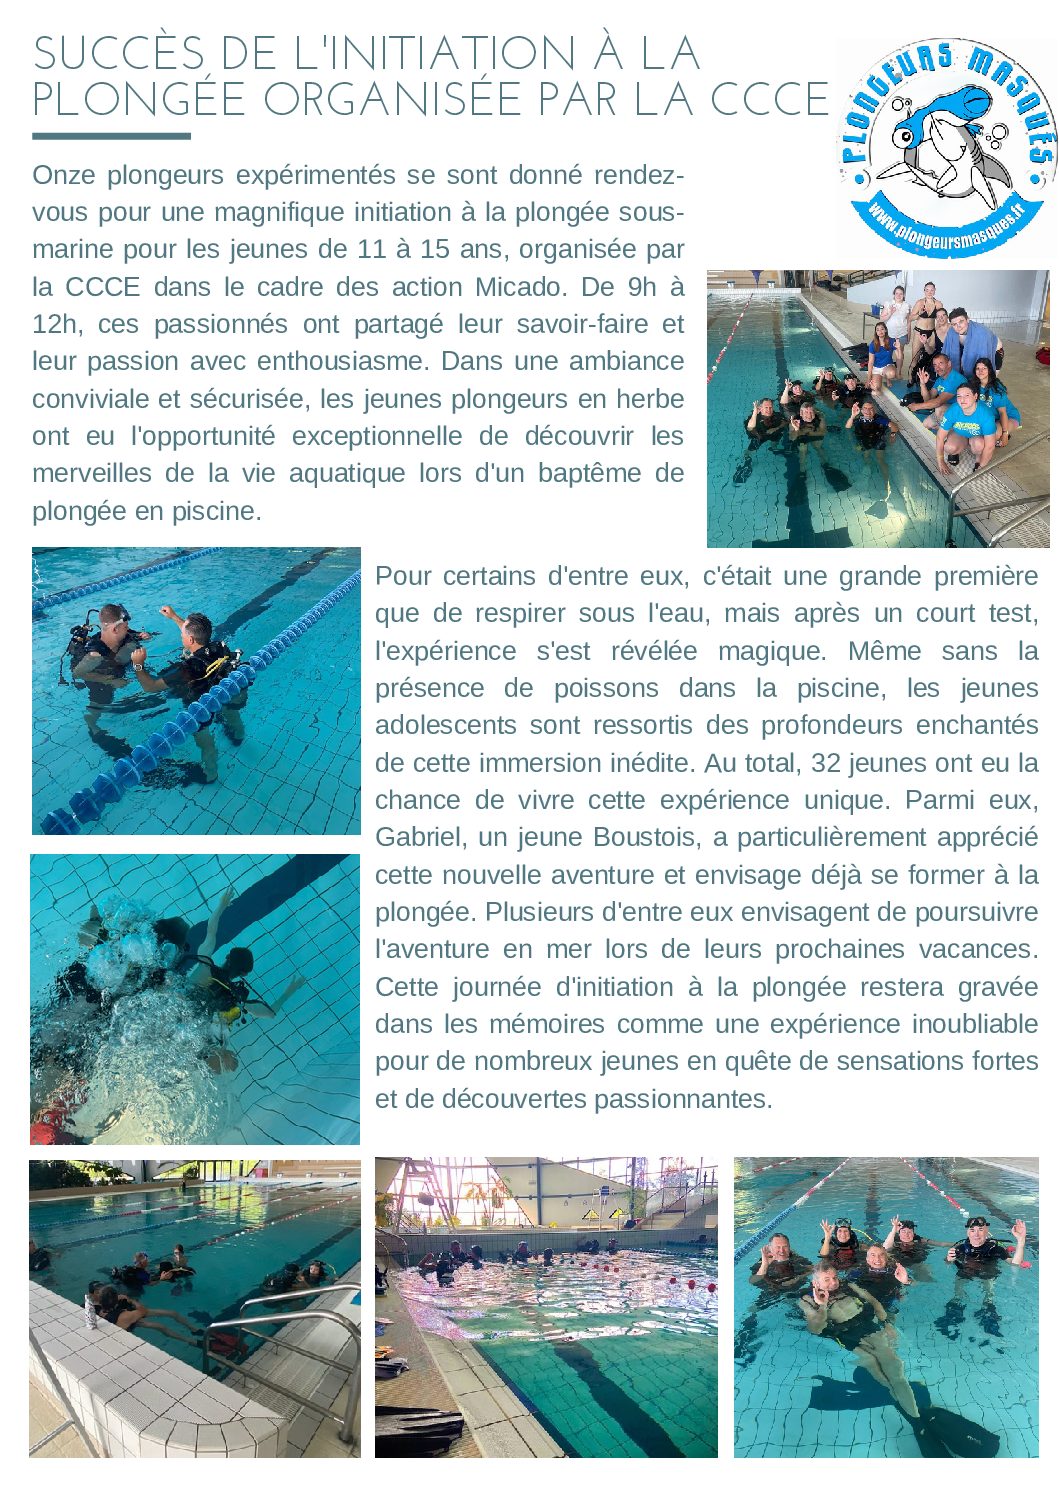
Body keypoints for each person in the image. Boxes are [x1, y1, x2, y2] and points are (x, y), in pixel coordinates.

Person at [189, 887, 307, 1070]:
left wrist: (221, 906)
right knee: (219, 1055)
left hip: (182, 1011)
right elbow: (270, 1013)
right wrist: (289, 991)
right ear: (244, 974)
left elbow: (211, 931)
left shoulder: (204, 965)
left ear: (227, 957)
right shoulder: (238, 998)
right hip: (201, 1037)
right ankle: (218, 1056)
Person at [128, 607, 246, 783]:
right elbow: (195, 634)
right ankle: (238, 737)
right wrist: (174, 617)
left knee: (205, 742)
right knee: (232, 714)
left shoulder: (185, 669)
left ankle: (210, 774)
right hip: (223, 694)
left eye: (182, 634)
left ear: (190, 639)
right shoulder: (218, 647)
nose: (180, 636)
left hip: (201, 707)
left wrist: (138, 664)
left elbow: (150, 687)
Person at [800, 1265, 920, 1420]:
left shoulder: (848, 1285)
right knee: (871, 1361)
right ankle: (897, 1398)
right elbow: (815, 1329)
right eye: (827, 1279)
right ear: (815, 1283)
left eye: (835, 1277)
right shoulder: (806, 1299)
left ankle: (914, 1412)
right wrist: (822, 1306)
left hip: (866, 1324)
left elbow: (873, 1301)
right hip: (843, 1333)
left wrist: (886, 1323)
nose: (833, 1282)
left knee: (894, 1364)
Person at [69, 602, 153, 741]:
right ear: (115, 629)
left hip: (117, 665)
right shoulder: (95, 654)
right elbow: (77, 674)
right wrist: (110, 680)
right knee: (102, 697)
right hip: (100, 674)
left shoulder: (123, 635)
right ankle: (91, 723)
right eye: (125, 627)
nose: (128, 629)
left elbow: (134, 634)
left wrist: (145, 636)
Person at [935, 384, 998, 474]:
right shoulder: (953, 410)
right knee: (949, 447)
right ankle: (955, 452)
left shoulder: (986, 414)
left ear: (975, 396)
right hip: (960, 434)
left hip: (977, 436)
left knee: (979, 445)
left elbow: (990, 446)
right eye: (959, 396)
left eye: (966, 395)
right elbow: (940, 437)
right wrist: (940, 461)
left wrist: (981, 468)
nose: (962, 400)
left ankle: (978, 459)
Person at [94, 1284, 199, 1336]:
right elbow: (142, 1310)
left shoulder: (99, 1307)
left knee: (168, 1317)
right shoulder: (125, 1314)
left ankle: (192, 1330)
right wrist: (131, 1300)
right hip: (129, 1321)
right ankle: (189, 1338)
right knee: (162, 1324)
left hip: (126, 1318)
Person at [904, 352, 968, 428]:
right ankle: (945, 426)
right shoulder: (940, 380)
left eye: (940, 363)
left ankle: (953, 429)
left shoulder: (955, 379)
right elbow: (928, 399)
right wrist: (922, 384)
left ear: (949, 364)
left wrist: (917, 406)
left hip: (962, 411)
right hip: (947, 409)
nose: (937, 368)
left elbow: (938, 402)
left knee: (939, 408)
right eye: (935, 365)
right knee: (926, 424)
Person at [947, 1216, 1027, 1271]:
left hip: (988, 1272)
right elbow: (947, 1262)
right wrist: (949, 1260)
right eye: (972, 1230)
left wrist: (1021, 1241)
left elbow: (1015, 1264)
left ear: (986, 1232)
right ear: (968, 1233)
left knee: (988, 1282)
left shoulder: (996, 1250)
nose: (976, 1234)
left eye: (980, 1230)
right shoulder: (960, 1249)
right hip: (967, 1271)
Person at [942, 307, 1003, 379]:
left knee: (988, 379)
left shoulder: (981, 333)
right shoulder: (951, 332)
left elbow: (984, 359)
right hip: (970, 345)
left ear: (967, 319)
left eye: (961, 322)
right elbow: (946, 354)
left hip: (996, 351)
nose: (958, 326)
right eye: (954, 324)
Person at [973, 357, 1021, 446]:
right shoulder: (973, 385)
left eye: (984, 368)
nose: (980, 371)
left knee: (991, 436)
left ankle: (1003, 433)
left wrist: (1005, 433)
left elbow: (1002, 412)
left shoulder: (996, 388)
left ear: (989, 370)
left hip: (1008, 416)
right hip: (990, 418)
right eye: (978, 368)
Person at [847, 1244, 912, 1308]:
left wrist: (906, 1282)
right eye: (873, 1255)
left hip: (887, 1303)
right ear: (867, 1259)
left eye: (881, 1255)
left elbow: (913, 1285)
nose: (877, 1259)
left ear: (886, 1258)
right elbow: (847, 1284)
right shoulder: (859, 1270)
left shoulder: (895, 1271)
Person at [883, 1218, 947, 1264]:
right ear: (899, 1233)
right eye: (903, 1232)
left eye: (909, 1232)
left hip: (916, 1261)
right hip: (897, 1261)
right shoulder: (892, 1239)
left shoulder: (920, 1240)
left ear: (913, 1233)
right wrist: (894, 1230)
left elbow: (941, 1244)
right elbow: (885, 1248)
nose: (906, 1235)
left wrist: (953, 1245)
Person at [903, 318, 942, 391]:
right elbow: (910, 317)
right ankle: (911, 379)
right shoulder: (919, 308)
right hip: (919, 330)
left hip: (932, 331)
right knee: (914, 359)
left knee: (928, 356)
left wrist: (937, 329)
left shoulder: (937, 307)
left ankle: (922, 378)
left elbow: (939, 317)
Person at [879, 287, 910, 373]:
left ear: (904, 295)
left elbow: (908, 322)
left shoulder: (906, 306)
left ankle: (898, 372)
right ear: (894, 294)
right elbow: (881, 319)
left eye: (901, 294)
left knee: (900, 354)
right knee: (887, 353)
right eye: (897, 293)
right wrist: (890, 313)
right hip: (889, 334)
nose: (899, 295)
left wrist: (909, 335)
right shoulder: (889, 304)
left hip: (902, 334)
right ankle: (886, 372)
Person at [866, 323, 897, 391]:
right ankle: (879, 376)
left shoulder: (892, 341)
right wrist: (868, 379)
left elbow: (899, 357)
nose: (880, 331)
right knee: (876, 388)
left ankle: (888, 379)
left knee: (891, 374)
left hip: (887, 366)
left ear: (886, 330)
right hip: (877, 368)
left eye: (882, 329)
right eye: (878, 330)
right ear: (876, 332)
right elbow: (870, 362)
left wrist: (899, 348)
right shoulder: (872, 344)